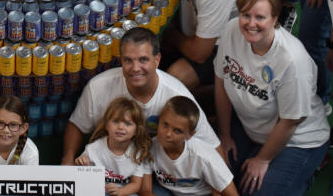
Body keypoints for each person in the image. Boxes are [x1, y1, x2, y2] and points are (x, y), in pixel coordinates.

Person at [214, 0, 329, 196]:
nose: (251, 24)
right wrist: (225, 134)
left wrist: (262, 159)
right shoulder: (232, 30)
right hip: (252, 126)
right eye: (245, 15)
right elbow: (221, 81)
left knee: (252, 191)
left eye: (260, 17)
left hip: (297, 140)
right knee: (215, 174)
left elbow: (291, 121)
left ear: (275, 19)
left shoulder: (292, 61)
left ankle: (304, 174)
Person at [62, 27, 220, 165]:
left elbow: (213, 146)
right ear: (121, 61)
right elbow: (77, 125)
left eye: (143, 60)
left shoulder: (177, 94)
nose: (135, 68)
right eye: (128, 60)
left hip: (156, 171)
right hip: (109, 169)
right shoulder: (98, 87)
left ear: (157, 60)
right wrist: (67, 160)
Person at [151, 96, 237, 196]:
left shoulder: (204, 156)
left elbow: (232, 193)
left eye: (177, 131)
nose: (168, 134)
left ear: (190, 135)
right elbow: (145, 189)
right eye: (165, 125)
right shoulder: (150, 147)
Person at [75, 97, 152, 196]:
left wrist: (120, 192)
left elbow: (136, 184)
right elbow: (81, 172)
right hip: (99, 190)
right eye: (115, 121)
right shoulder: (93, 149)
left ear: (136, 130)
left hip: (125, 192)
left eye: (128, 123)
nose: (120, 127)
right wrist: (82, 161)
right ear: (106, 125)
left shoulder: (137, 152)